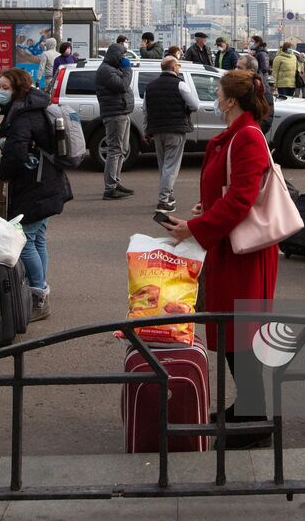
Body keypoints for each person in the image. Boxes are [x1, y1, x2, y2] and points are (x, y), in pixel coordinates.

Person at [160, 70, 277, 445]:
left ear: (229, 100)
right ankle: (247, 407)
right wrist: (207, 207)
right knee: (231, 330)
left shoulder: (247, 137)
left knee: (240, 333)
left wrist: (195, 228)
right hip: (229, 246)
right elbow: (232, 190)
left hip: (242, 251)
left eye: (219, 93)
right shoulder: (237, 134)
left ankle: (254, 419)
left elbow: (242, 199)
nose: (215, 98)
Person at [0, 68, 71, 321]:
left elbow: (16, 153)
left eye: (5, 87)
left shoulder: (23, 115)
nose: (0, 91)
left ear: (17, 89)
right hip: (47, 181)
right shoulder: (35, 106)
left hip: (34, 185)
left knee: (25, 238)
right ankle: (40, 286)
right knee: (38, 238)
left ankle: (38, 294)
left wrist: (3, 172)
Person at [145, 56, 199, 212]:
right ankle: (163, 200)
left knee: (163, 165)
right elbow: (195, 105)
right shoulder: (180, 84)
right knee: (171, 165)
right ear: (174, 67)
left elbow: (145, 110)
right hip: (175, 129)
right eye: (178, 65)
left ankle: (168, 194)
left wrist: (147, 130)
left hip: (156, 129)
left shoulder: (150, 86)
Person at [95, 40, 135, 201]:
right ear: (116, 55)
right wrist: (127, 69)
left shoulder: (113, 68)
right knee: (115, 150)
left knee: (122, 149)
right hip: (114, 114)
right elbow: (123, 86)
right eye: (123, 55)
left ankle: (116, 182)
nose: (125, 58)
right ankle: (110, 188)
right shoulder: (106, 71)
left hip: (122, 112)